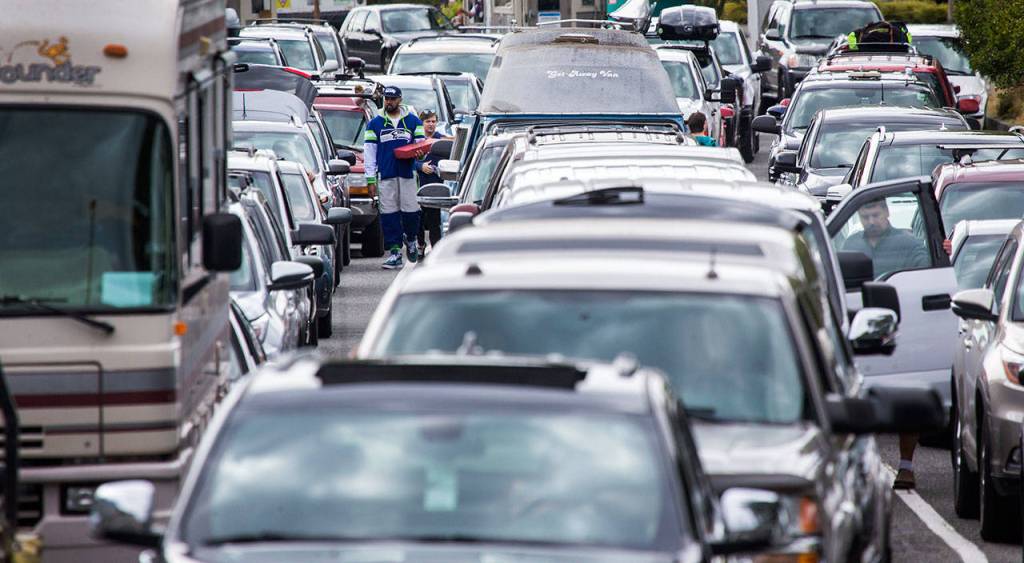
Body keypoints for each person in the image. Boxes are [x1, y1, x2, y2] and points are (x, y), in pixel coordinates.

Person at [841, 198, 930, 490]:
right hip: (857, 326)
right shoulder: (851, 244)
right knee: (854, 397)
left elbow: (925, 274)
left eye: (875, 214)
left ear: (887, 213)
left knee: (906, 396)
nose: (871, 220)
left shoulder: (909, 244)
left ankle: (906, 466)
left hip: (899, 328)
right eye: (865, 216)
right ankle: (857, 467)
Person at [364, 86, 427, 269]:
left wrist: (420, 153)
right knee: (389, 213)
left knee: (411, 211)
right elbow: (369, 152)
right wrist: (369, 179)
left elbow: (421, 146)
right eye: (386, 99)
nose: (389, 102)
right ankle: (395, 251)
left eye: (392, 99)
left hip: (408, 174)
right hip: (386, 175)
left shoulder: (413, 121)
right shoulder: (375, 124)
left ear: (400, 100)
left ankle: (412, 239)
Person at [416, 109, 447, 255]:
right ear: (422, 123)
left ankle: (436, 250)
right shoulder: (416, 140)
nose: (431, 124)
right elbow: (407, 161)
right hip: (418, 185)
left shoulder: (441, 140)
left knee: (434, 221)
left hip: (436, 186)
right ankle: (420, 244)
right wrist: (420, 166)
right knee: (418, 219)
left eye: (433, 121)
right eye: (428, 121)